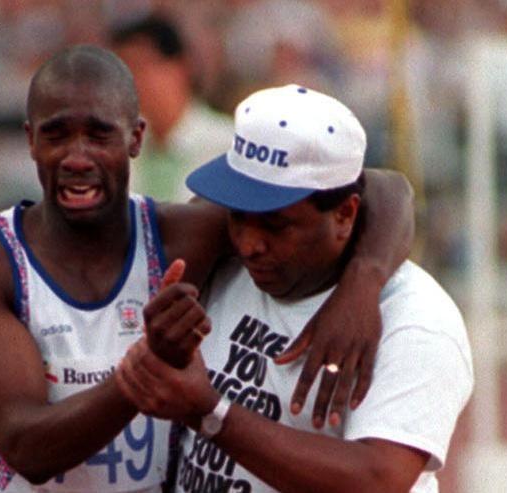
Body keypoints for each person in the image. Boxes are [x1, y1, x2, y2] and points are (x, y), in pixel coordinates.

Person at [0, 45, 414, 492]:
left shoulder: (182, 236)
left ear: (136, 138)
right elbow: (29, 449)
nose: (77, 158)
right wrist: (149, 368)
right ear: (30, 141)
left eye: (100, 134)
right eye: (56, 134)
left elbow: (384, 188)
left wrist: (361, 286)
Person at [114, 85, 473, 493]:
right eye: (237, 216)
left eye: (275, 225)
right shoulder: (223, 260)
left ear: (344, 214)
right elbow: (390, 188)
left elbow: (378, 478)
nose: (249, 244)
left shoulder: (415, 320)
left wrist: (211, 412)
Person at [110, 14, 233, 202]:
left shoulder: (226, 144)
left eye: (141, 66)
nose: (133, 80)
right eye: (123, 70)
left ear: (181, 66)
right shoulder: (121, 148)